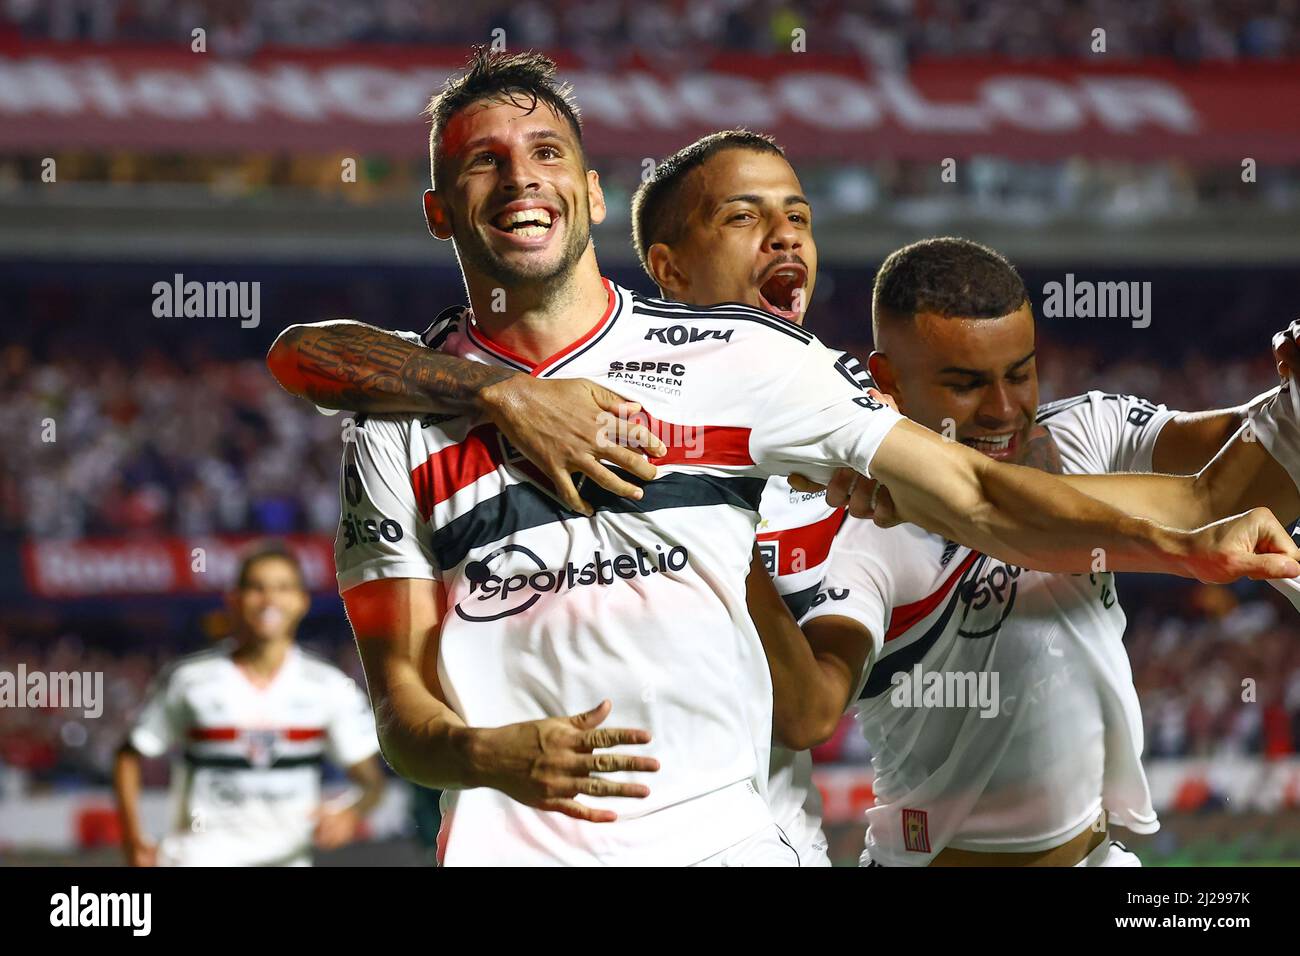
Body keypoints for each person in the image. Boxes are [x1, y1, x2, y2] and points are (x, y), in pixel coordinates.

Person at [325, 48, 1297, 867]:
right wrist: (480, 749)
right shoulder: (394, 420)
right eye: (484, 163)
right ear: (439, 210)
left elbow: (983, 493)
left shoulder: (756, 369)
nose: (521, 175)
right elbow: (401, 707)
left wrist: (1183, 546)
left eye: (544, 152)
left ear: (585, 190)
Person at [753, 236, 1300, 865]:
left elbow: (1241, 477)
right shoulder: (855, 525)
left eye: (1020, 373)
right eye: (966, 385)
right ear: (887, 379)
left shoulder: (1085, 432)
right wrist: (724, 533)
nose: (1004, 409)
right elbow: (810, 711)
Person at [113, 543, 385, 866]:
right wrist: (133, 837)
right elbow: (128, 756)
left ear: (302, 602)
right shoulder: (190, 680)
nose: (270, 599)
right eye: (257, 588)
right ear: (234, 601)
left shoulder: (329, 687)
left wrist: (350, 813)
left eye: (283, 588)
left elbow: (371, 783)